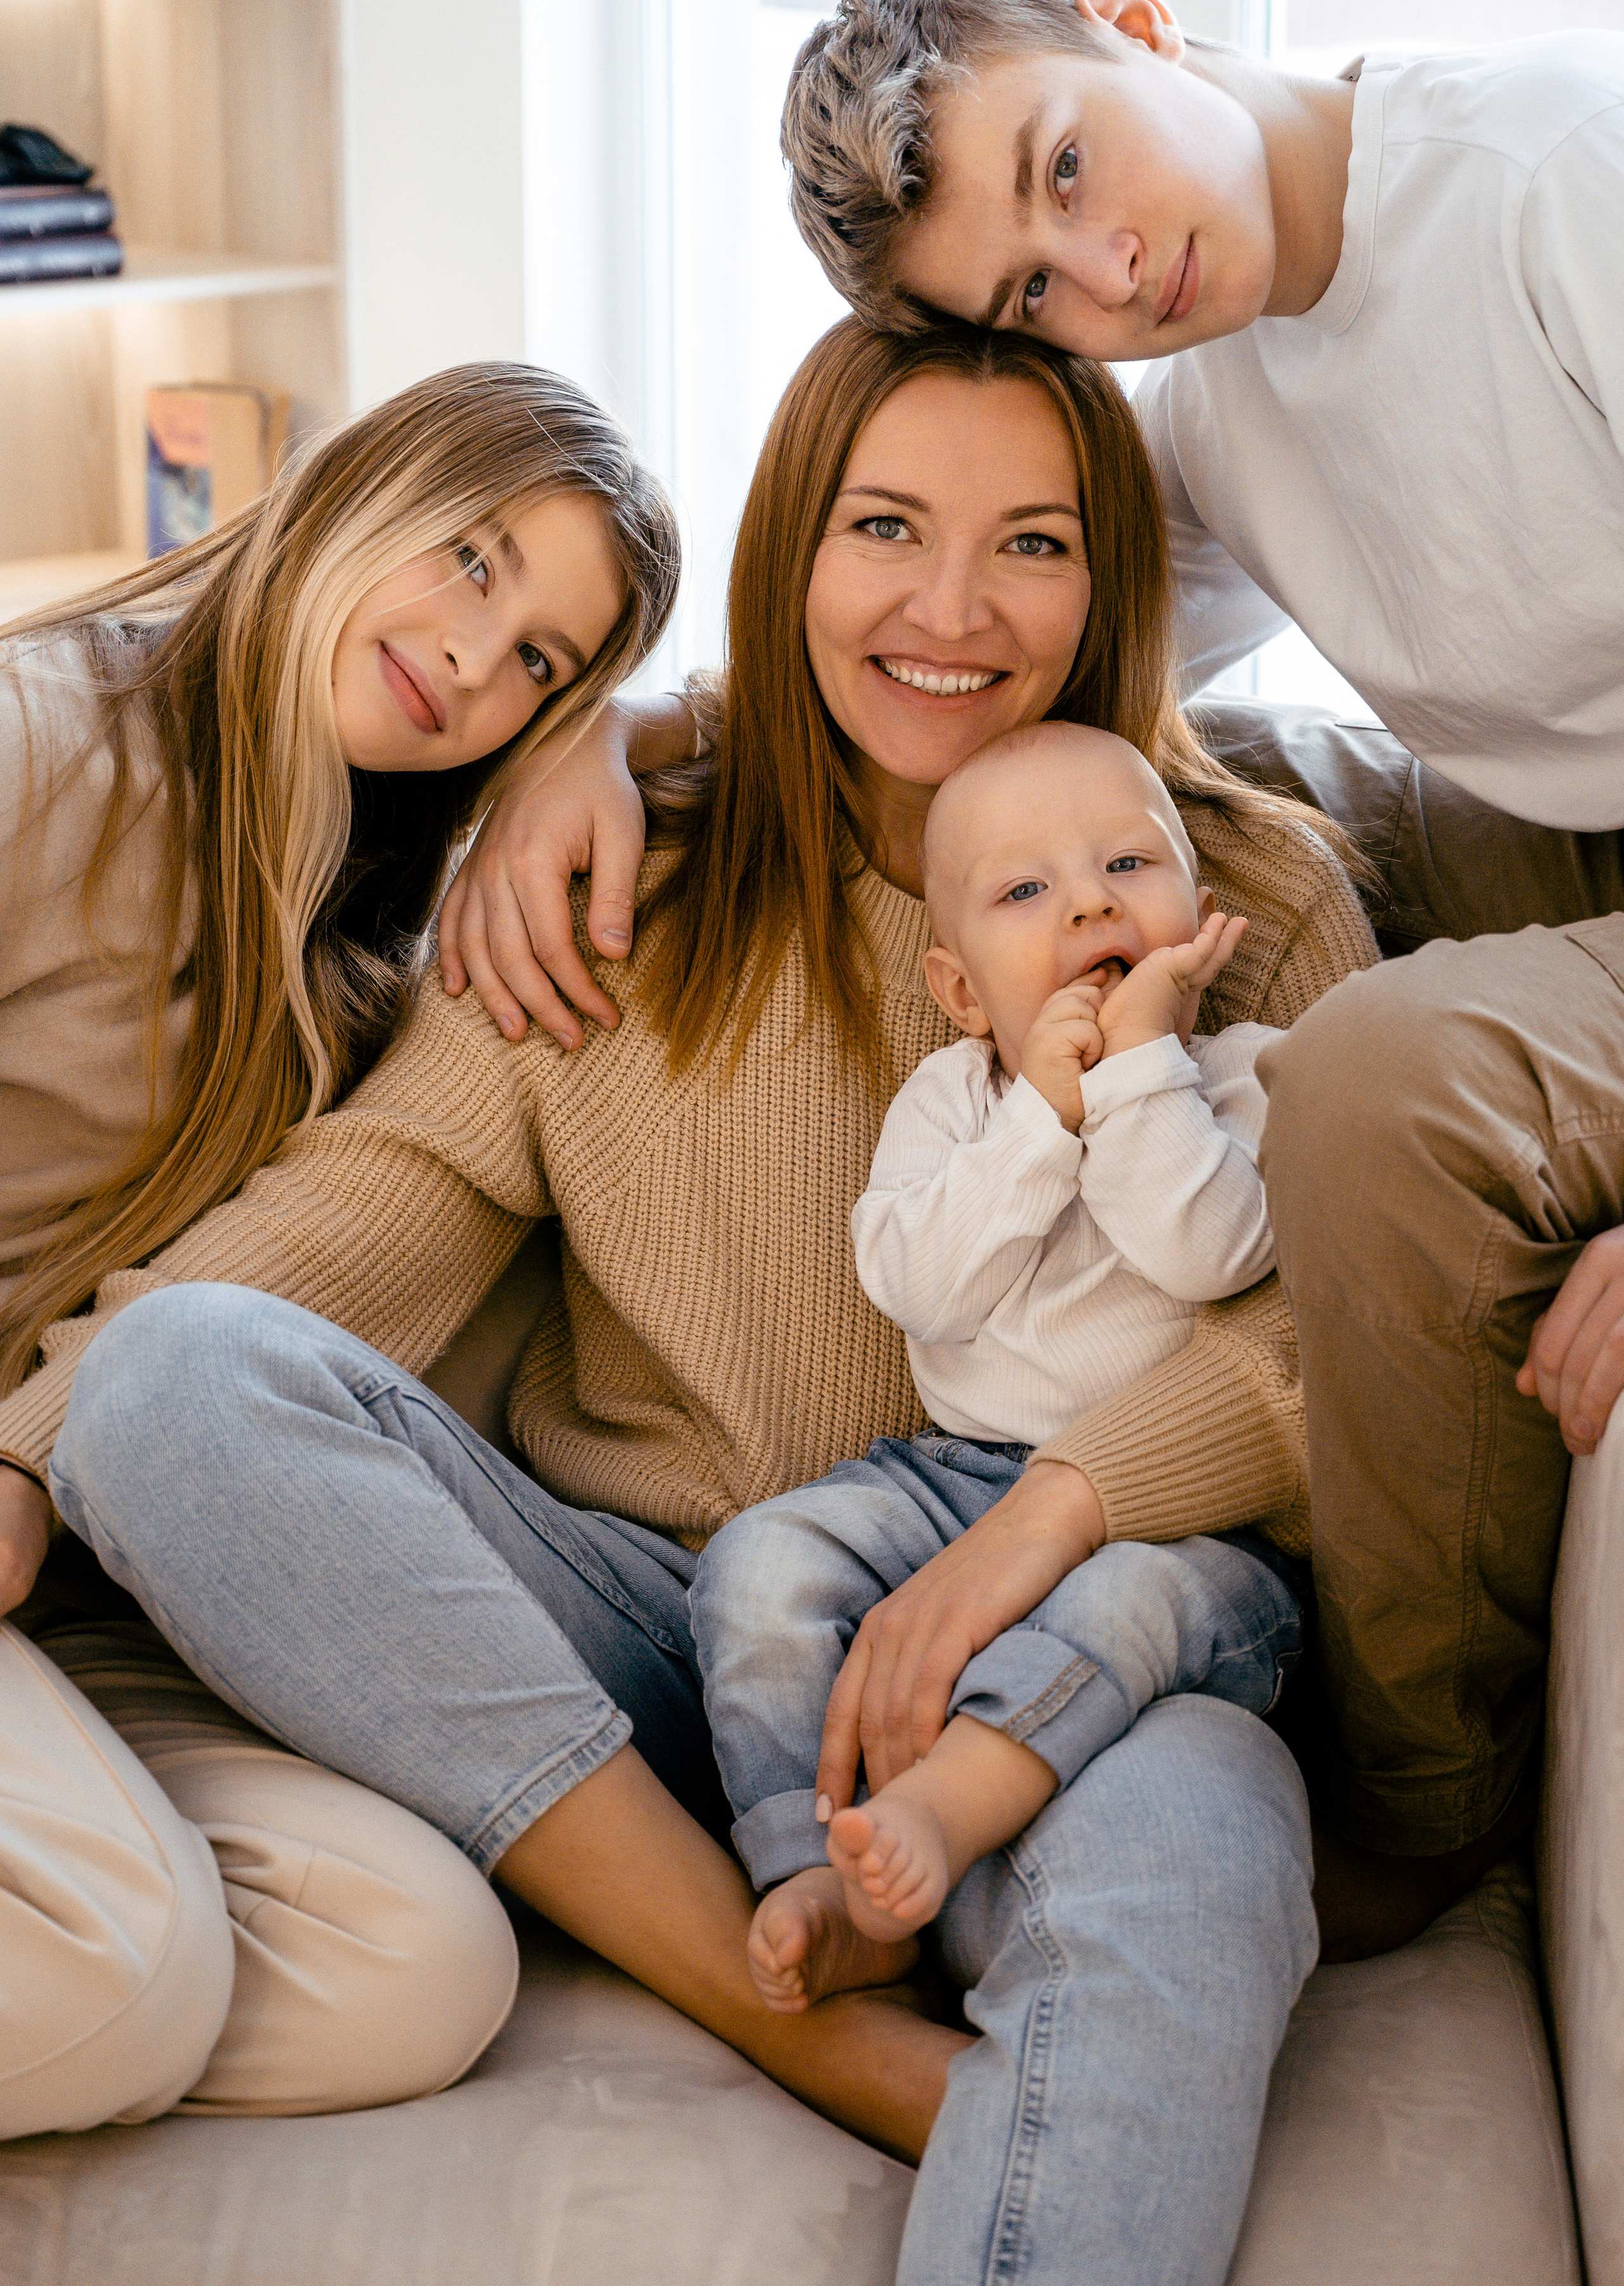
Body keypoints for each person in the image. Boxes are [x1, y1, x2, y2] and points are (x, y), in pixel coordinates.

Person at [0, 316, 1375, 2285]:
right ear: (792, 547)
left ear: (1116, 576)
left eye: (1038, 544)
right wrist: (33, 1447)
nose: (954, 610)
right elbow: (367, 1210)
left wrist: (1024, 1547)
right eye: (884, 525)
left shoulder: (1251, 894)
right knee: (172, 1380)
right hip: (659, 1635)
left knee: (1201, 1869)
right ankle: (776, 1990)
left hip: (1075, 1665)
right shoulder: (622, 870)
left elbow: (1331, 1329)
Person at [772, 0, 1624, 1947]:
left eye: (1069, 171)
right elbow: (979, 634)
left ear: (1126, 14)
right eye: (1028, 294)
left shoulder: (1554, 178)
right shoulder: (1215, 401)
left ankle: (1414, 1808)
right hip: (1578, 851)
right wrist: (610, 742)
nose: (1107, 277)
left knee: (1369, 1076)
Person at [0, 360, 683, 2135]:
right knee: (124, 1970)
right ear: (362, 481)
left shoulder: (378, 957)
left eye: (542, 658)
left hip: (70, 1575)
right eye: (469, 560)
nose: (474, 657)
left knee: (421, 1961)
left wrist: (616, 739)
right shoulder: (45, 738)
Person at [690, 718, 1307, 2015]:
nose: (1087, 899)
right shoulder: (952, 1104)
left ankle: (945, 1807)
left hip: (1185, 1528)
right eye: (1024, 891)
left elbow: (1206, 1254)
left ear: (1198, 915)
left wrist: (1137, 1072)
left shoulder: (1252, 1083)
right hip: (953, 1483)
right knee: (758, 1567)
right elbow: (918, 1286)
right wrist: (1044, 1111)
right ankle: (816, 1878)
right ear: (963, 993)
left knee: (1124, 1610)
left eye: (1128, 866)